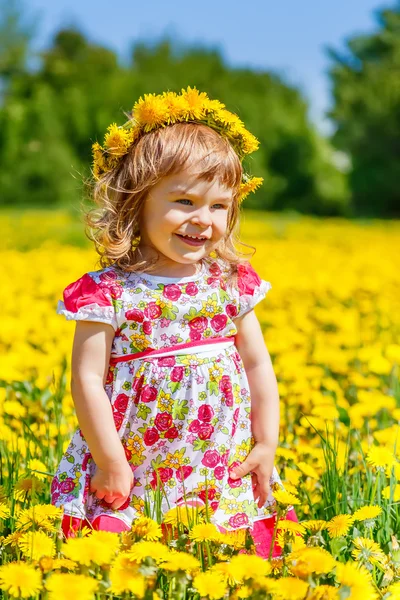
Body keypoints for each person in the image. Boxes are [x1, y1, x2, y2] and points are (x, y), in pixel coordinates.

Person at [51, 87, 297, 559]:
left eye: (219, 205)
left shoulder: (230, 283)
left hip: (218, 456)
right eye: (184, 201)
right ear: (137, 200)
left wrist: (266, 443)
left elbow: (258, 367)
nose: (203, 220)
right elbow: (85, 380)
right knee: (129, 558)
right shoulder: (109, 290)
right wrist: (109, 463)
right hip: (134, 461)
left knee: (223, 559)